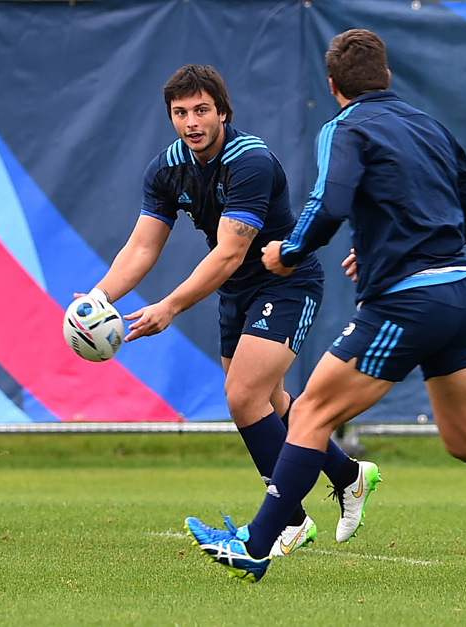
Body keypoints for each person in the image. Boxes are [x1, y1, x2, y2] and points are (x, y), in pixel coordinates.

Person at [187, 29, 466, 583]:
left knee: (307, 413)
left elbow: (331, 203)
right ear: (388, 77)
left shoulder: (344, 126)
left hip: (407, 301)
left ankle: (256, 546)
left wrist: (291, 250)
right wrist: (389, 245)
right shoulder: (431, 126)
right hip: (464, 297)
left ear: (332, 86)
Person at [89, 64, 379, 556]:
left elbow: (228, 252)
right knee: (269, 401)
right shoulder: (166, 168)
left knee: (243, 397)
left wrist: (170, 307)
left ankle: (290, 519)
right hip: (236, 292)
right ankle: (350, 474)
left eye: (202, 110)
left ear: (223, 112)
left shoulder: (250, 161)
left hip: (287, 283)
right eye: (180, 113)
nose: (191, 122)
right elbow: (142, 246)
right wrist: (98, 299)